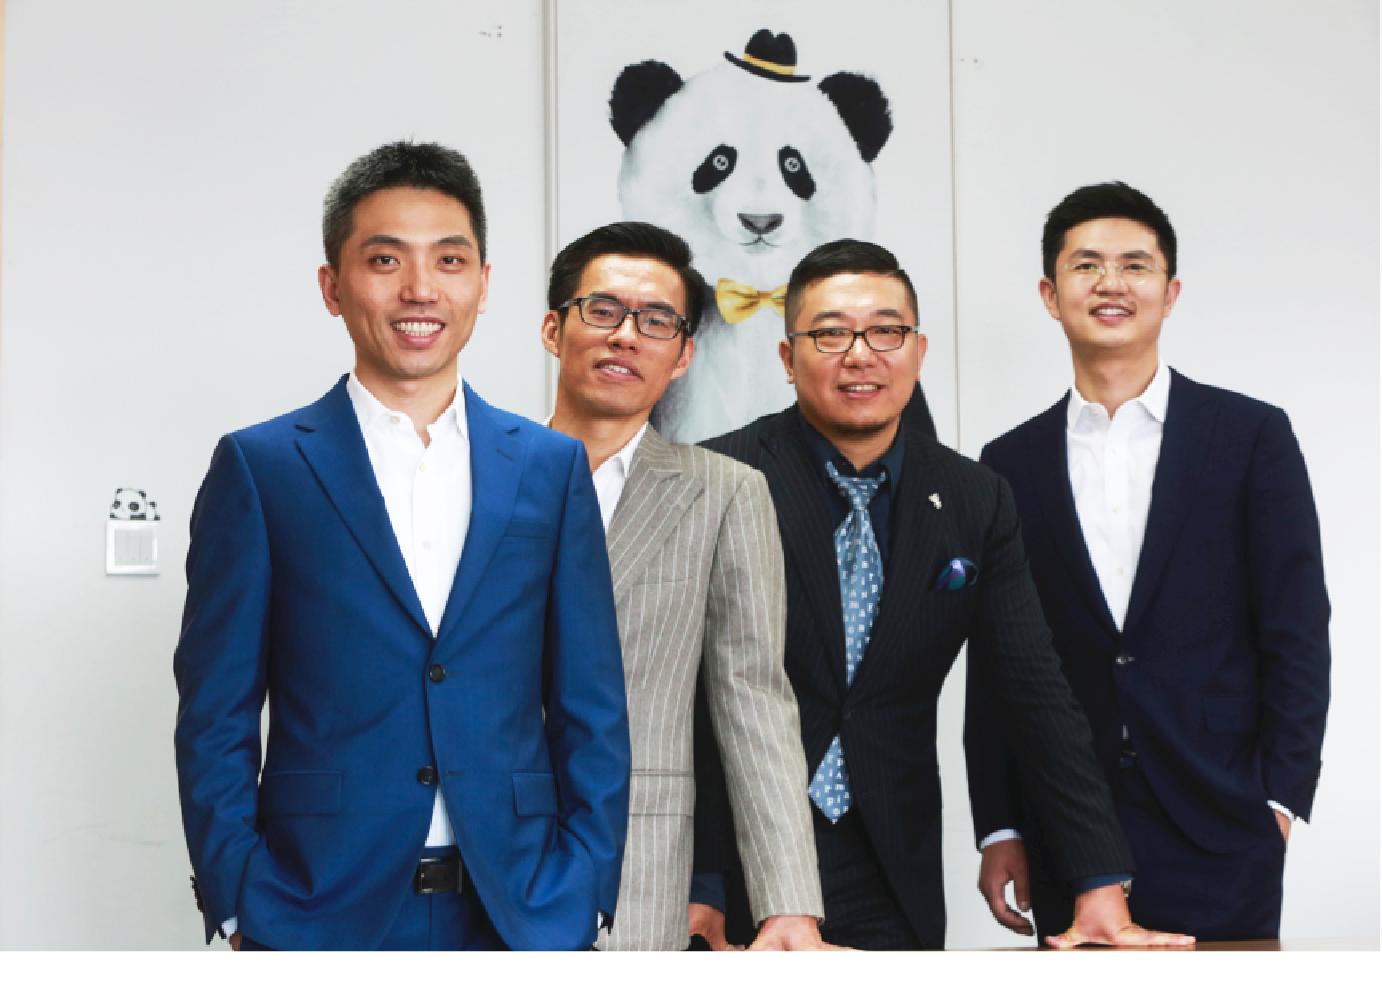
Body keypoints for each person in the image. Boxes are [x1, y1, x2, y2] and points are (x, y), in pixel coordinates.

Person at [173, 141, 631, 951]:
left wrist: (586, 892)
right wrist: (241, 898)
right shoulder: (262, 467)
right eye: (385, 260)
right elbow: (216, 710)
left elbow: (590, 703)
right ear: (332, 286)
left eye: (449, 260)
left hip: (520, 910)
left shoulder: (548, 466)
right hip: (316, 910)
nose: (420, 289)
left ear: (483, 284)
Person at [695, 238, 1193, 950]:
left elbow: (1034, 692)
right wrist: (701, 881)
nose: (860, 355)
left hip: (890, 862)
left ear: (918, 351)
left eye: (886, 332)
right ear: (787, 356)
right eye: (830, 333)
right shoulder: (718, 477)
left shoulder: (974, 498)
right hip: (734, 866)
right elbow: (675, 702)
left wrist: (1099, 882)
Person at [966, 181, 1330, 942]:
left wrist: (1280, 799)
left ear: (1170, 292)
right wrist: (1000, 823)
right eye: (1086, 265)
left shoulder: (1250, 436)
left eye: (1135, 265)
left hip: (1222, 814)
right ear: (1050, 294)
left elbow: (1296, 628)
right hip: (1067, 819)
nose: (1111, 284)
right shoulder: (1009, 462)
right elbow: (999, 660)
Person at [540, 221, 827, 950]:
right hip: (470, 853)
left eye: (656, 321)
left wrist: (787, 902)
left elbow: (753, 698)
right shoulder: (478, 474)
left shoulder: (724, 492)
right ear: (553, 329)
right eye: (603, 311)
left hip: (639, 860)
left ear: (683, 354)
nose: (625, 336)